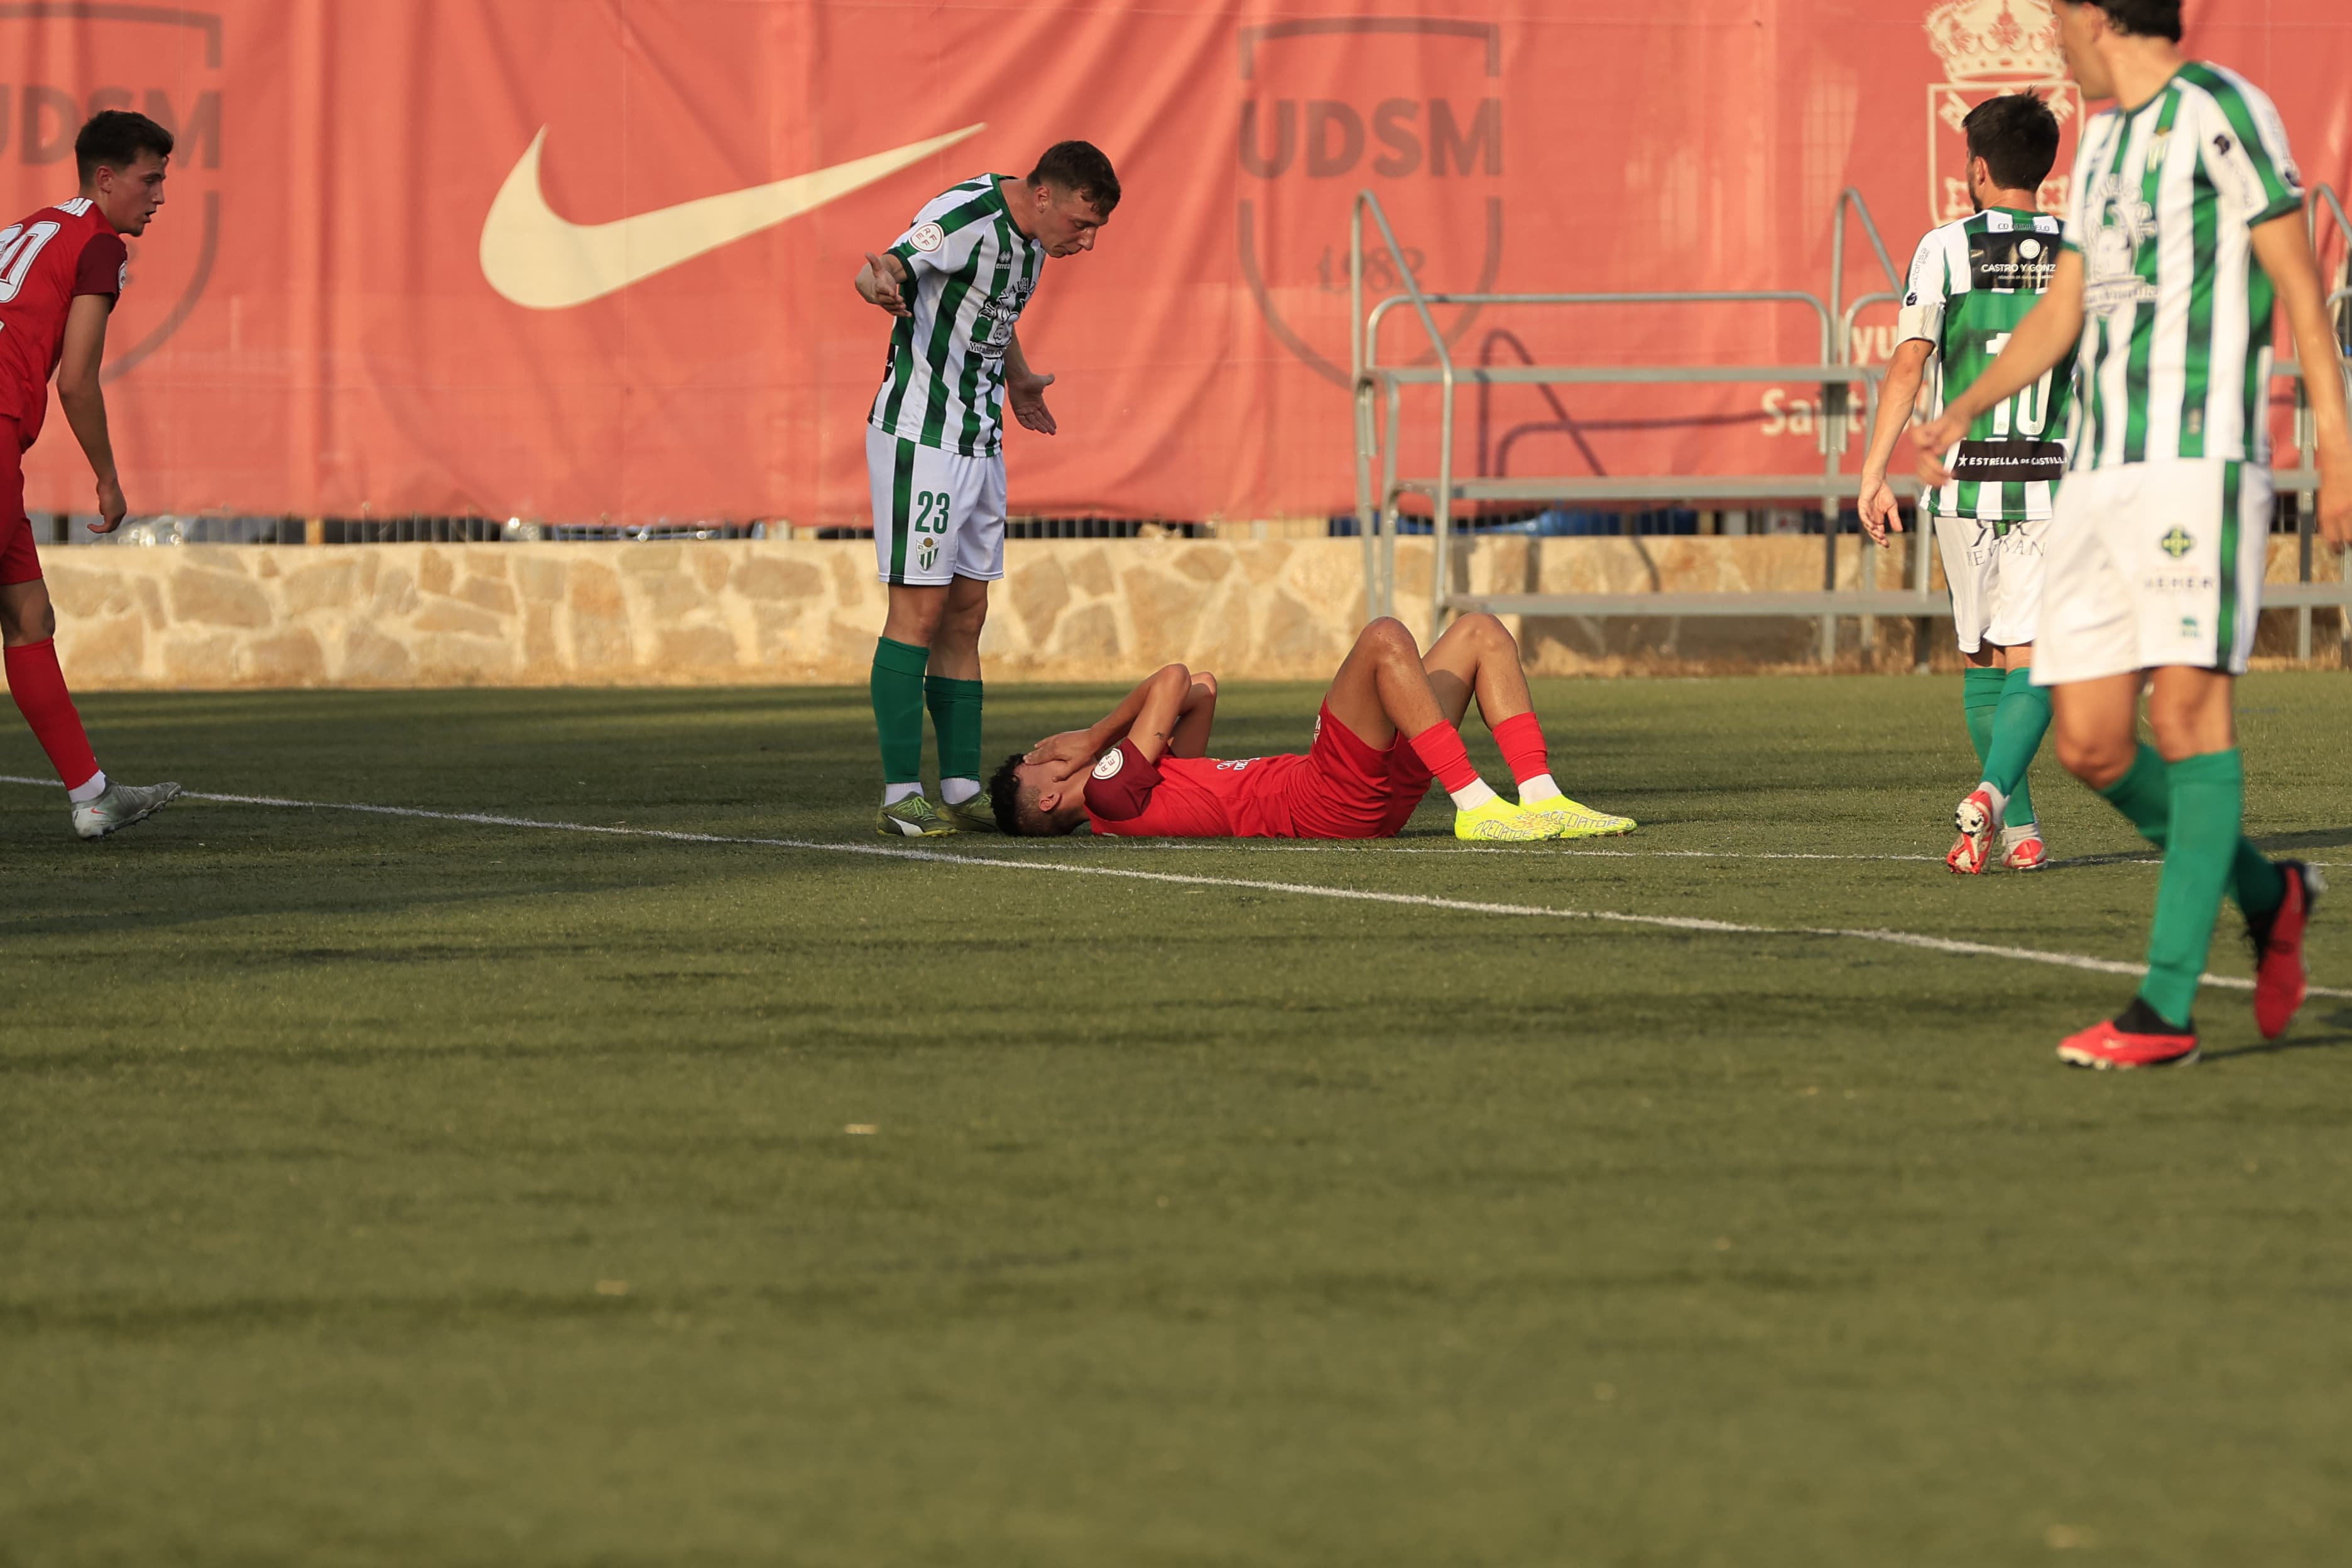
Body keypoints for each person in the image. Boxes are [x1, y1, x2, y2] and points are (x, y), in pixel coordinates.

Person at [1913, 0, 2350, 1069]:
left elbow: (2302, 290)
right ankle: (2269, 893)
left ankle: (2164, 1011)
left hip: (2197, 471)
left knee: (2189, 720)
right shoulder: (2105, 142)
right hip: (2095, 478)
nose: (2054, 42)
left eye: (2059, 19)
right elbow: (2066, 308)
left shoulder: (2220, 111)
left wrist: (2337, 451)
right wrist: (1961, 409)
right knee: (2090, 744)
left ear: (2098, 17)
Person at [854, 141, 1119, 837]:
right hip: (923, 438)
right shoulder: (967, 215)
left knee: (967, 613)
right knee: (918, 613)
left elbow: (992, 314)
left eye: (1095, 229)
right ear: (1043, 195)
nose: (1086, 242)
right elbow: (882, 267)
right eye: (1082, 224)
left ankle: (963, 787)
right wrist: (879, 286)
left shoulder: (1032, 244)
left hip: (981, 441)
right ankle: (900, 796)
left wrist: (1018, 377)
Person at [1858, 92, 2072, 876]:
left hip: (1963, 483)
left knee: (1984, 660)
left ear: (1978, 170)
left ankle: (2015, 822)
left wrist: (1874, 471)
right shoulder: (2083, 250)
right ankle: (2004, 807)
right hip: (2051, 482)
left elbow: (1909, 363)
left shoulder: (1944, 246)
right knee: (2031, 658)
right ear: (2043, 168)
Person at [988, 613, 1636, 842]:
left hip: (1355, 797)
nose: (1048, 747)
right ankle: (1474, 805)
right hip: (1321, 801)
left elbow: (1200, 689)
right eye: (1036, 758)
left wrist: (1109, 739)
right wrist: (1094, 736)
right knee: (1384, 638)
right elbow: (1172, 678)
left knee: (1479, 632)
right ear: (1048, 797)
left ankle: (1542, 796)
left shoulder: (1141, 787)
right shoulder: (1106, 795)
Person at [0, 111, 182, 840]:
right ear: (105, 179)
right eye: (150, 179)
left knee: (28, 617)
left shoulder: (30, 228)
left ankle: (94, 795)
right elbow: (76, 380)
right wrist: (107, 478)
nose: (159, 196)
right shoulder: (98, 244)